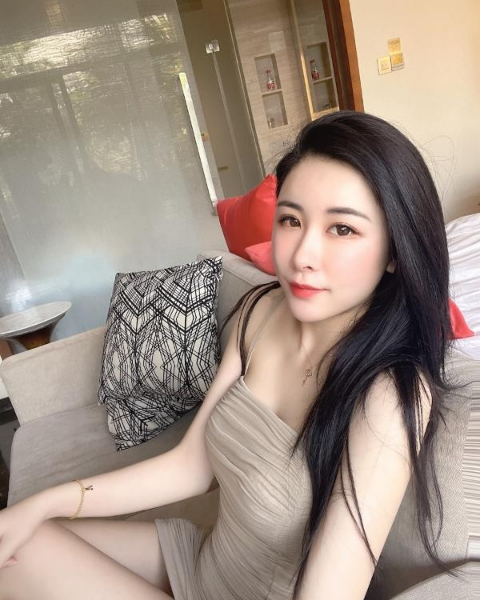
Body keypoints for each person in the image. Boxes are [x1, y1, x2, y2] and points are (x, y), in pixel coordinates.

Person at [0, 111, 451, 600]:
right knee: (16, 545)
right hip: (203, 560)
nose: (302, 255)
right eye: (291, 220)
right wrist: (47, 502)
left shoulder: (391, 393)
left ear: (395, 251)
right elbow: (191, 466)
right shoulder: (261, 312)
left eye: (342, 229)